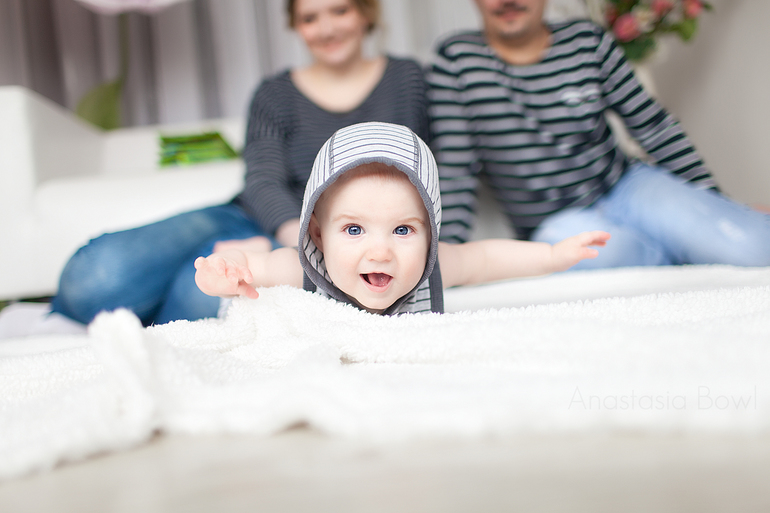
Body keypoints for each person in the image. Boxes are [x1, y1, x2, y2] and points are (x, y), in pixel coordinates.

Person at [51, 0, 430, 326]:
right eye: (309, 18)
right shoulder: (274, 93)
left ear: (366, 12)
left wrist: (316, 248)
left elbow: (431, 173)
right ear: (295, 26)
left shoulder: (406, 79)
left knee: (198, 296)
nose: (327, 28)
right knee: (94, 278)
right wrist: (297, 241)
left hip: (333, 238)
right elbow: (263, 180)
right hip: (255, 218)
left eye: (340, 10)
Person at [427, 0, 770, 268]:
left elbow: (654, 126)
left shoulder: (587, 40)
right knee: (581, 258)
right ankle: (675, 256)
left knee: (750, 248)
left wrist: (715, 205)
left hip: (629, 188)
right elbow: (456, 171)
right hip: (558, 222)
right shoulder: (455, 60)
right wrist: (444, 260)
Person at [194, 122, 610, 314]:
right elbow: (248, 268)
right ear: (317, 236)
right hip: (268, 252)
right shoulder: (303, 269)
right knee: (253, 255)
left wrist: (551, 256)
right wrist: (222, 273)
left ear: (431, 231)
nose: (380, 251)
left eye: (402, 229)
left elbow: (485, 259)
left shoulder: (432, 270)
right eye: (354, 229)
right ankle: (249, 237)